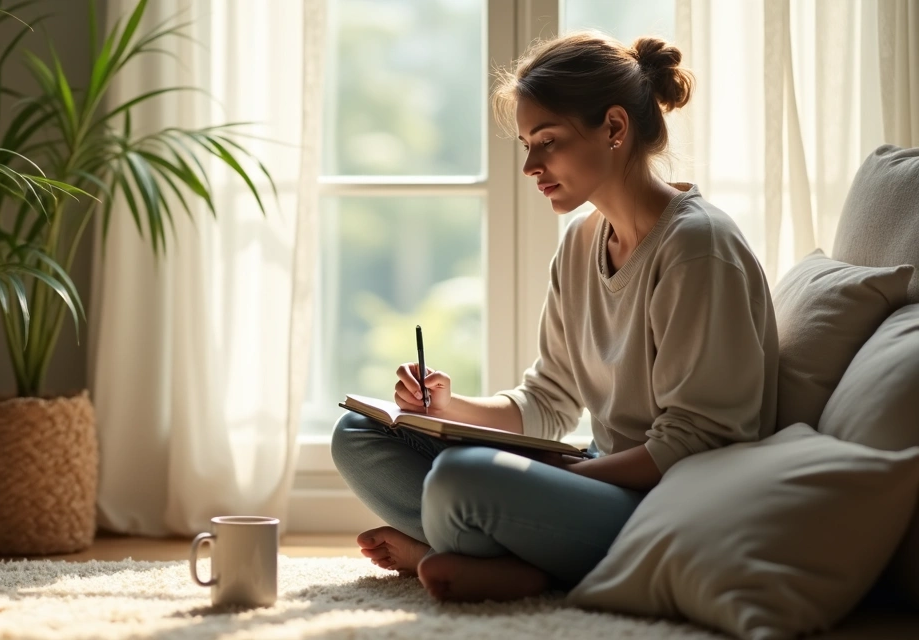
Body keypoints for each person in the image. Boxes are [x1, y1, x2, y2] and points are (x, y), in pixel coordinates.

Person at [330, 32, 779, 604]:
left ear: (615, 129)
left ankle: (511, 563)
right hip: (599, 476)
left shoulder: (697, 248)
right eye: (525, 143)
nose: (528, 165)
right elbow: (548, 400)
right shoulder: (581, 242)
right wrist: (446, 408)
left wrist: (554, 478)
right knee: (359, 435)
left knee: (462, 481)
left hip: (672, 507)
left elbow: (695, 445)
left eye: (547, 142)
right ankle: (506, 557)